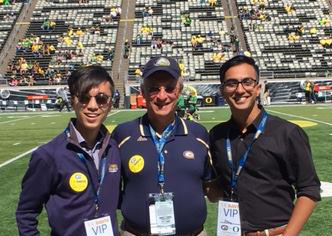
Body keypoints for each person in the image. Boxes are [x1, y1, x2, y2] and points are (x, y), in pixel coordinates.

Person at [208, 55, 321, 236]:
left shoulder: (287, 132)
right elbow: (217, 189)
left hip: (274, 232)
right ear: (222, 90)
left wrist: (289, 233)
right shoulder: (217, 135)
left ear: (258, 87)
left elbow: (309, 189)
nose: (240, 89)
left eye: (247, 82)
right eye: (231, 83)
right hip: (230, 232)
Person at [111, 56, 213, 236]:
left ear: (179, 91)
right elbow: (109, 188)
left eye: (169, 88)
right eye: (154, 89)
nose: (162, 96)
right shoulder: (123, 134)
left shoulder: (199, 134)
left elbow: (210, 185)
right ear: (142, 91)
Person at [16, 65, 121, 236]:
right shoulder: (49, 155)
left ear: (110, 104)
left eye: (101, 98)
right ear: (73, 100)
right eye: (84, 98)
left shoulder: (114, 148)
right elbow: (26, 213)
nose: (93, 106)